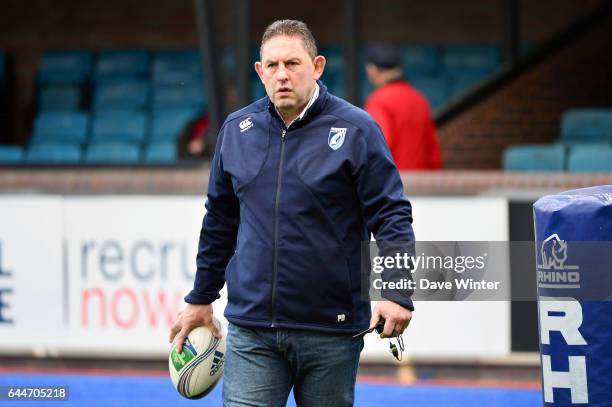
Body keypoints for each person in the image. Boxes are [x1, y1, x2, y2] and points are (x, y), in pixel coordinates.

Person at [169, 20, 415, 406]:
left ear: (316, 66)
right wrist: (201, 297)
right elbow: (219, 222)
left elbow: (391, 215)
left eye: (293, 63)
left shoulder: (357, 130)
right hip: (253, 331)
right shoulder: (236, 130)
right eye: (272, 65)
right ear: (259, 71)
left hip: (331, 332)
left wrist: (397, 290)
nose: (282, 74)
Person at [364, 44, 443, 170]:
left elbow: (378, 151)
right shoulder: (420, 99)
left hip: (393, 185)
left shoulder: (379, 100)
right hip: (421, 185)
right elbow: (434, 157)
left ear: (373, 70)